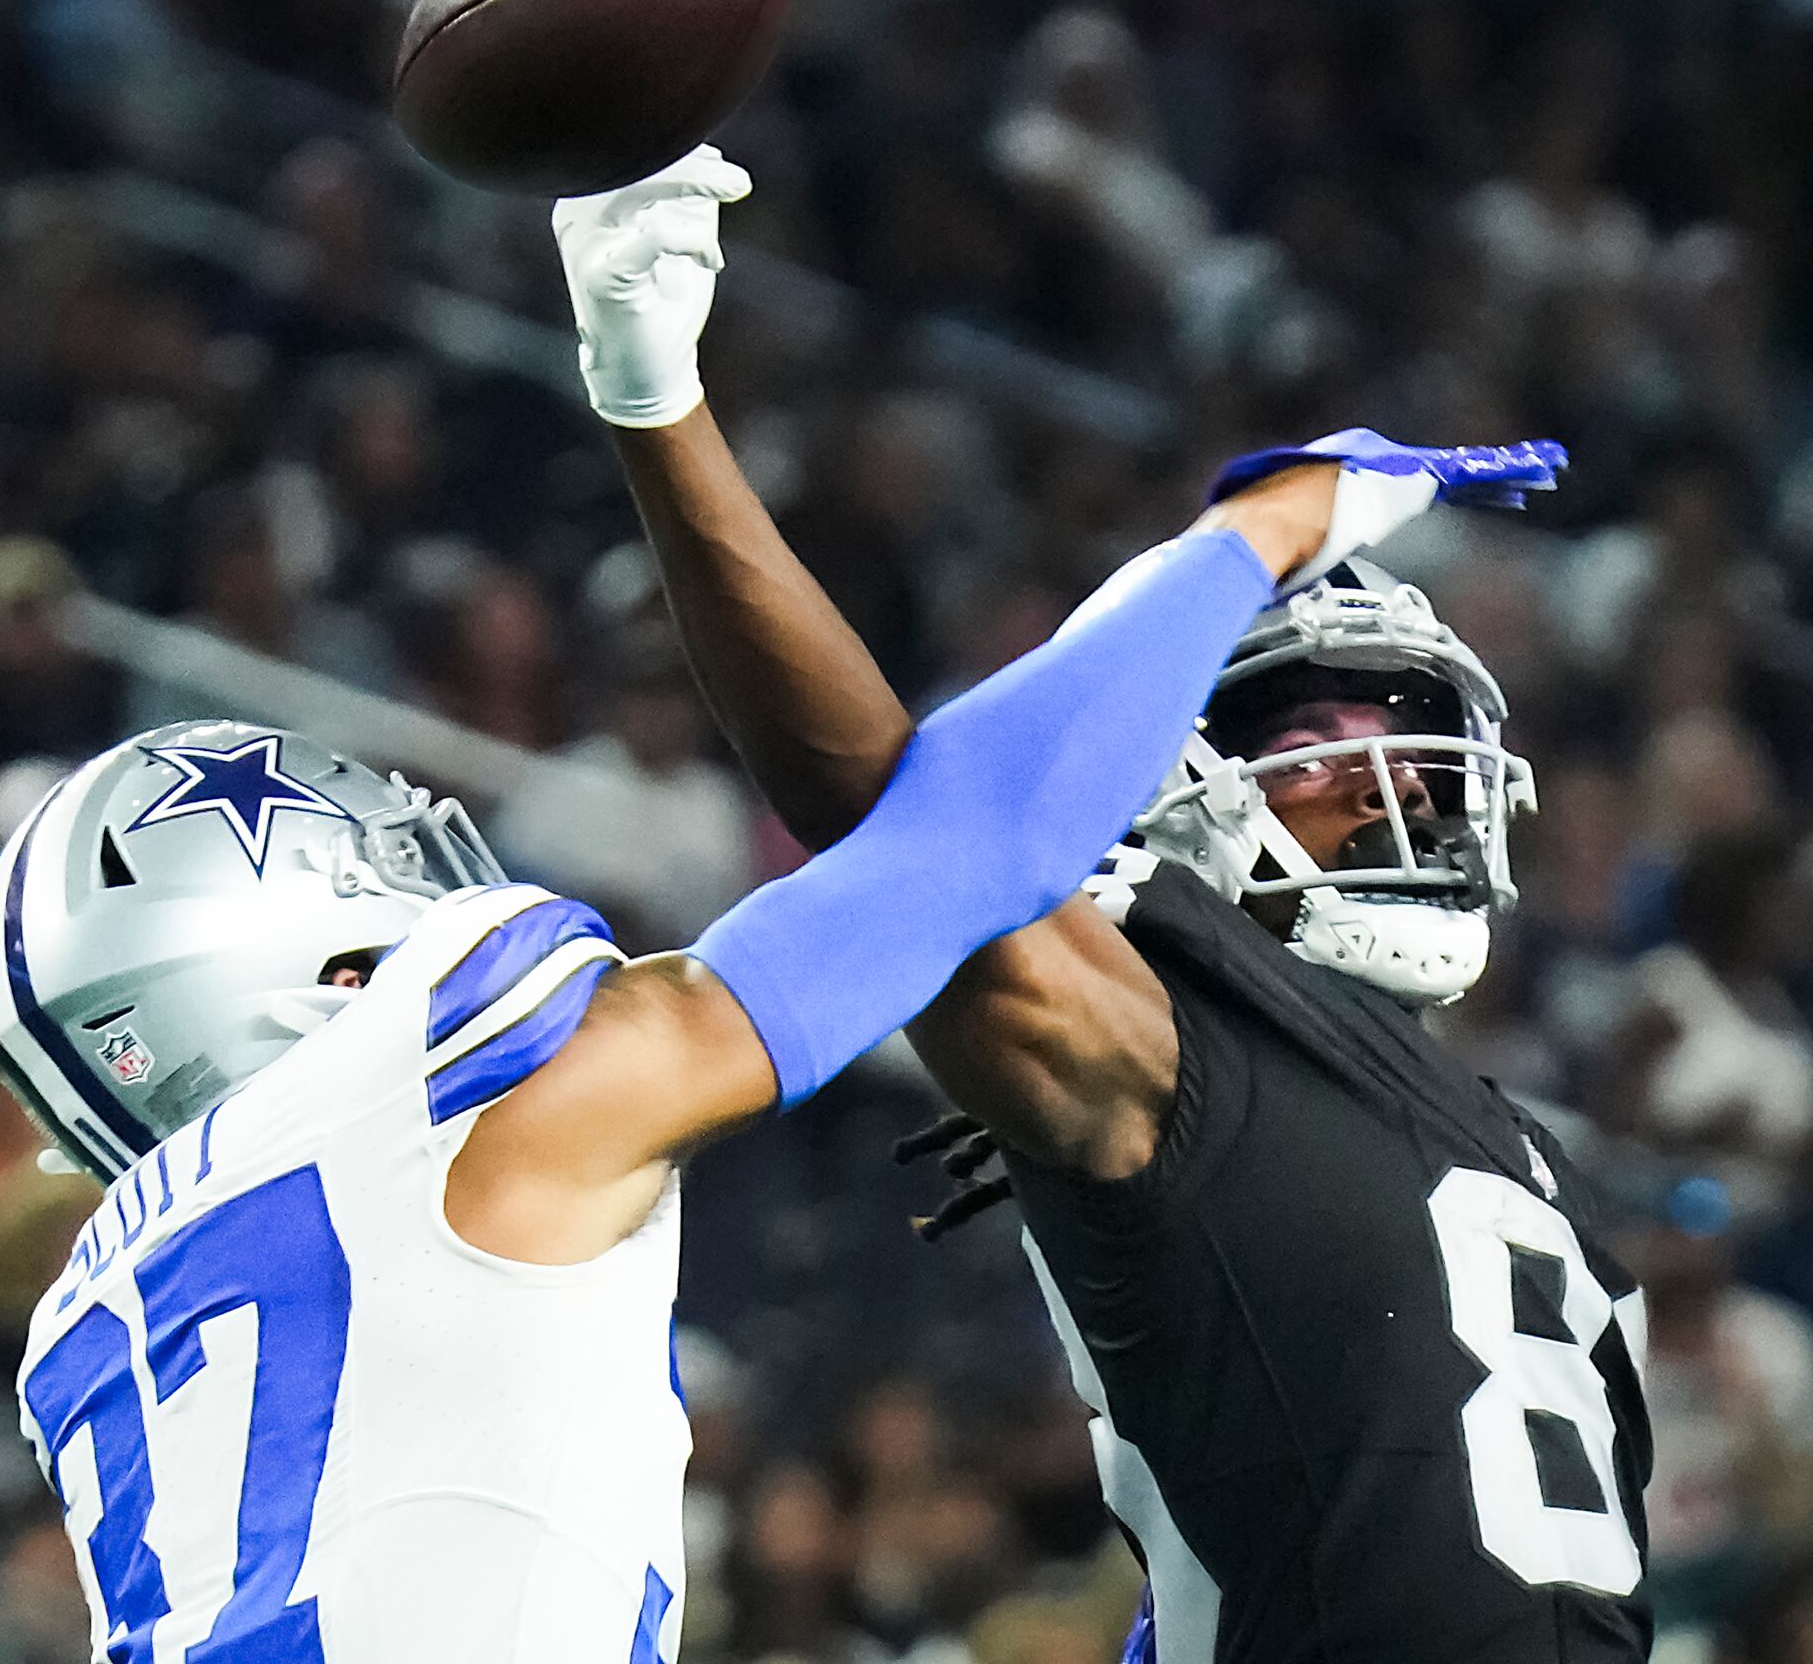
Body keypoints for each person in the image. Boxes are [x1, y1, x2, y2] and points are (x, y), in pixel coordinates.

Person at [0, 395, 1560, 1656]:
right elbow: (964, 845)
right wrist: (1268, 525)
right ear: (283, 956)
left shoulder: (99, 1316)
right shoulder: (432, 1080)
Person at [560, 147, 1648, 1660]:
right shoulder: (1166, 1037)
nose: (1388, 786)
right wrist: (659, 405)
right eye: (1313, 749)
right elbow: (891, 812)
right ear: (1161, 786)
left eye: (1399, 744)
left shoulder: (1525, 1154)